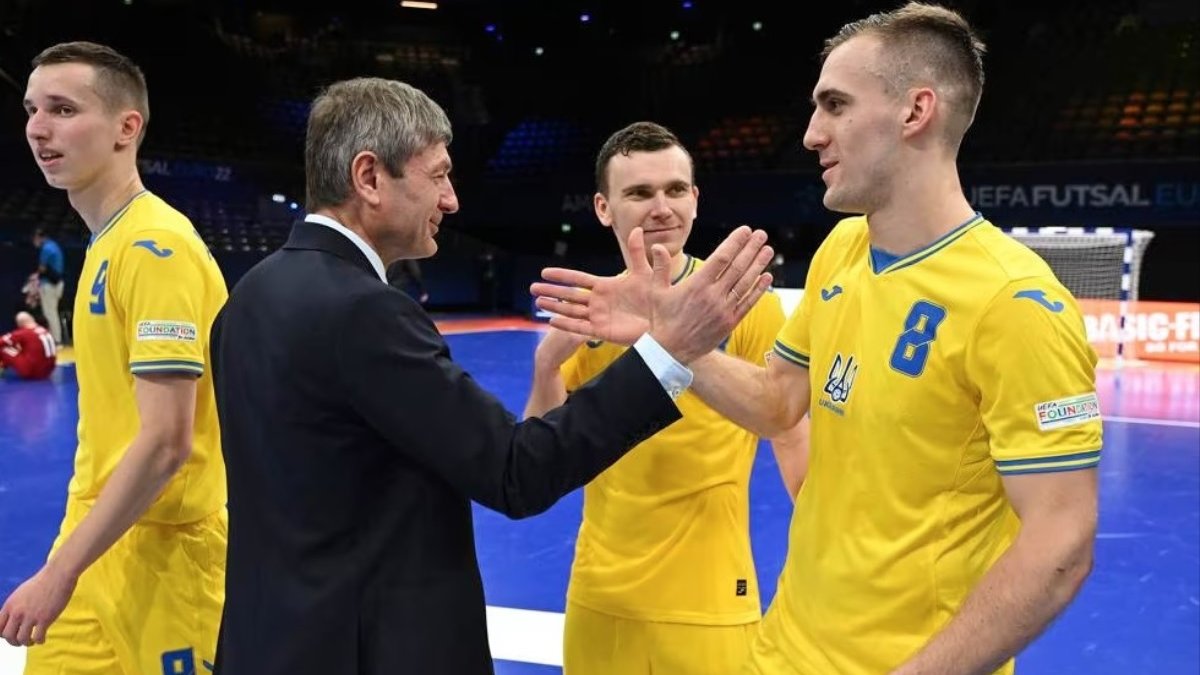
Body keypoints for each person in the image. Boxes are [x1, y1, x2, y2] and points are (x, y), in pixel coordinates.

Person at [531, 4, 1102, 674]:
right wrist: (673, 341)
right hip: (783, 651)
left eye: (835, 105)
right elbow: (777, 404)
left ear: (915, 111)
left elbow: (1061, 542)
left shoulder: (1016, 302)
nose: (810, 134)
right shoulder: (843, 250)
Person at [208, 77, 775, 675]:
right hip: (367, 649)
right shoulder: (364, 312)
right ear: (369, 178)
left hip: (269, 643)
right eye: (438, 176)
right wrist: (666, 351)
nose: (451, 200)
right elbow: (515, 470)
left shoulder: (247, 298)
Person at [522, 121, 809, 675]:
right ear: (603, 208)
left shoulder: (743, 308)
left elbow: (790, 434)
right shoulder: (592, 311)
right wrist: (546, 365)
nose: (661, 208)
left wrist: (828, 560)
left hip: (710, 600)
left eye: (675, 189)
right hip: (600, 599)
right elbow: (540, 456)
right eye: (639, 193)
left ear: (695, 200)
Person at [1, 41, 228, 675]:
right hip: (96, 532)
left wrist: (59, 573)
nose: (38, 128)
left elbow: (166, 443)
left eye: (63, 109)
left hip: (165, 557)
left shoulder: (155, 248)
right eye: (31, 109)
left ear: (127, 128)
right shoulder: (108, 241)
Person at [0, 311, 57, 381]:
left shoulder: (23, 333)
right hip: (48, 371)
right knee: (18, 348)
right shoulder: (45, 330)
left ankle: (2, 367)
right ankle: (4, 367)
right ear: (32, 319)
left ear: (19, 324)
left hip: (32, 372)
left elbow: (2, 341)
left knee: (3, 348)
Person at [31, 227, 65, 344]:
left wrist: (35, 277)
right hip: (58, 284)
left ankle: (56, 340)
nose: (34, 242)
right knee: (52, 312)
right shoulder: (54, 246)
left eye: (34, 239)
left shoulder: (46, 248)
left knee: (50, 313)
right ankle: (54, 339)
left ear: (39, 237)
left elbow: (42, 268)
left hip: (50, 285)